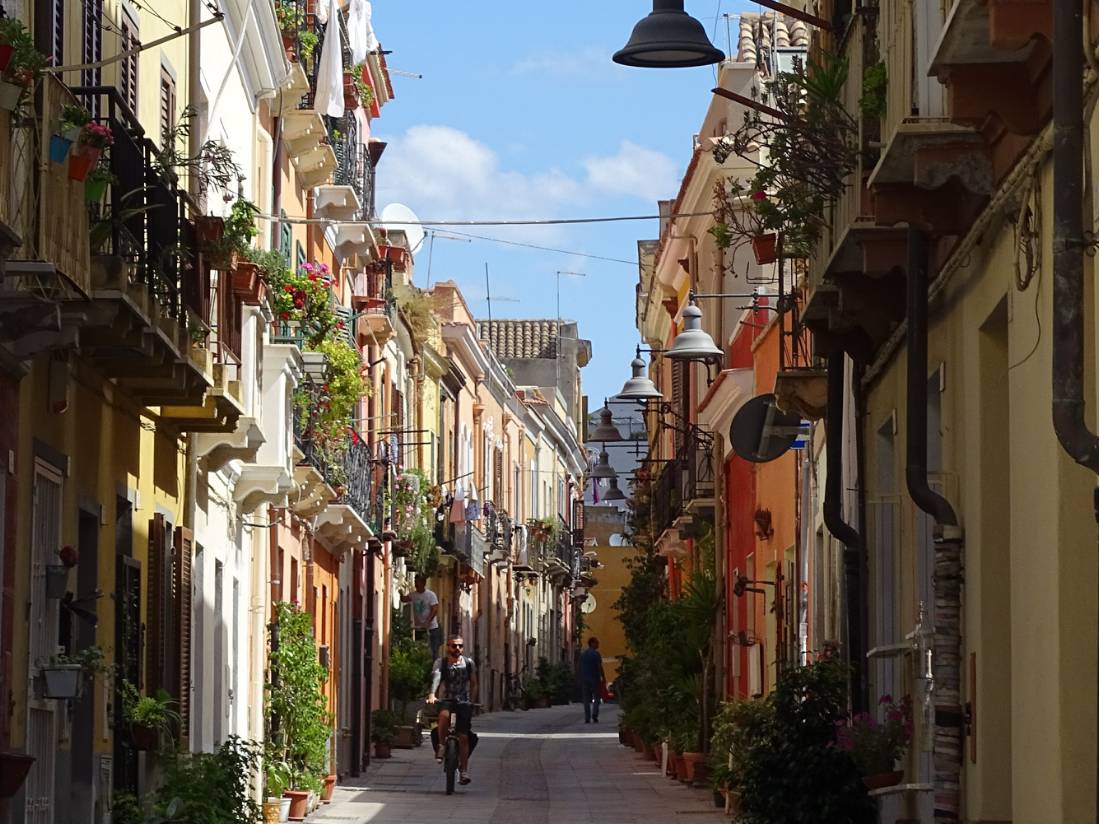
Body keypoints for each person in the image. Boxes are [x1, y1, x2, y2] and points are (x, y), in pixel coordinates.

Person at [427, 633, 478, 785]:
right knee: (443, 716)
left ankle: (463, 771)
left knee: (463, 737)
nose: (457, 648)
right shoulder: (441, 662)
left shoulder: (469, 663)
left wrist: (472, 701)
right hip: (446, 699)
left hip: (462, 702)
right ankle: (442, 745)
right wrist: (432, 694)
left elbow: (474, 683)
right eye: (454, 645)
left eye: (460, 646)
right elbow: (436, 677)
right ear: (447, 647)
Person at [401, 575, 441, 661]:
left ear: (423, 583)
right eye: (415, 582)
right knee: (421, 651)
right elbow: (404, 599)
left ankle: (434, 670)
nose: (415, 584)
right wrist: (401, 593)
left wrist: (428, 621)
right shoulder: (413, 595)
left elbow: (435, 609)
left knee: (434, 651)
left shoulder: (430, 595)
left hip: (432, 628)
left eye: (417, 582)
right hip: (420, 629)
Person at [579, 636, 606, 724]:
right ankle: (594, 714)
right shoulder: (596, 654)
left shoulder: (583, 654)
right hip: (595, 678)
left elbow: (579, 667)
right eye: (596, 643)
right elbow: (599, 666)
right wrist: (603, 677)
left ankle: (587, 717)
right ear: (592, 643)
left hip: (585, 678)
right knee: (597, 697)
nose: (598, 644)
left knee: (586, 699)